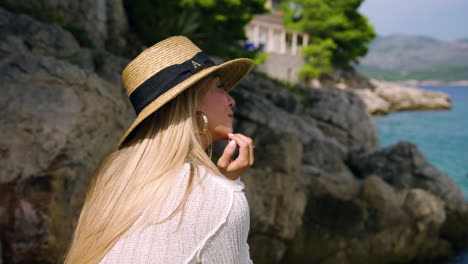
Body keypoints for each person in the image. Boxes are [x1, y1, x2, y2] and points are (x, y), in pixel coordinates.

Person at [64, 36, 255, 264]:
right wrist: (229, 187)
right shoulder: (222, 198)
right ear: (190, 101)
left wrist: (223, 181)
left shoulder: (115, 179)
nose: (231, 100)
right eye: (220, 87)